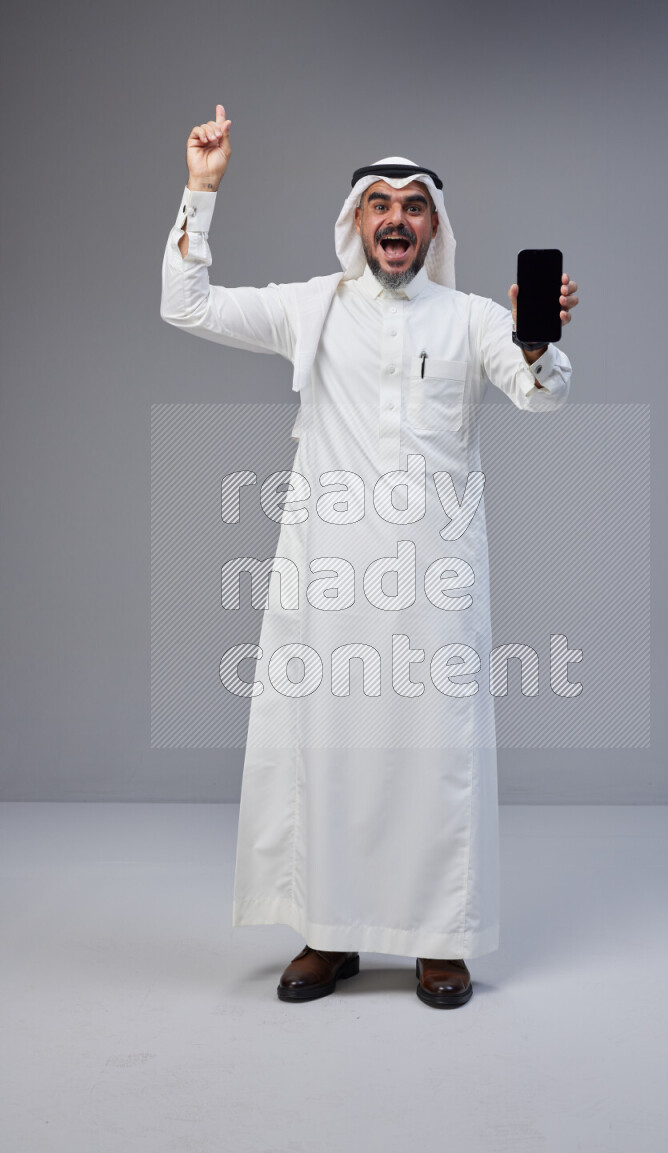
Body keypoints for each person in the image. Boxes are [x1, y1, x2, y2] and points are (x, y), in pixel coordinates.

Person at [161, 105, 579, 1010]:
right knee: (331, 753)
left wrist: (537, 342)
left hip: (435, 580)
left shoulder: (472, 319)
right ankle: (329, 931)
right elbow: (186, 304)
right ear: (356, 221)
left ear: (434, 226)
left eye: (414, 205)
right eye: (380, 204)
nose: (397, 218)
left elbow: (539, 394)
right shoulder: (310, 307)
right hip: (330, 578)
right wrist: (201, 191)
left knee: (435, 755)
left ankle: (440, 941)